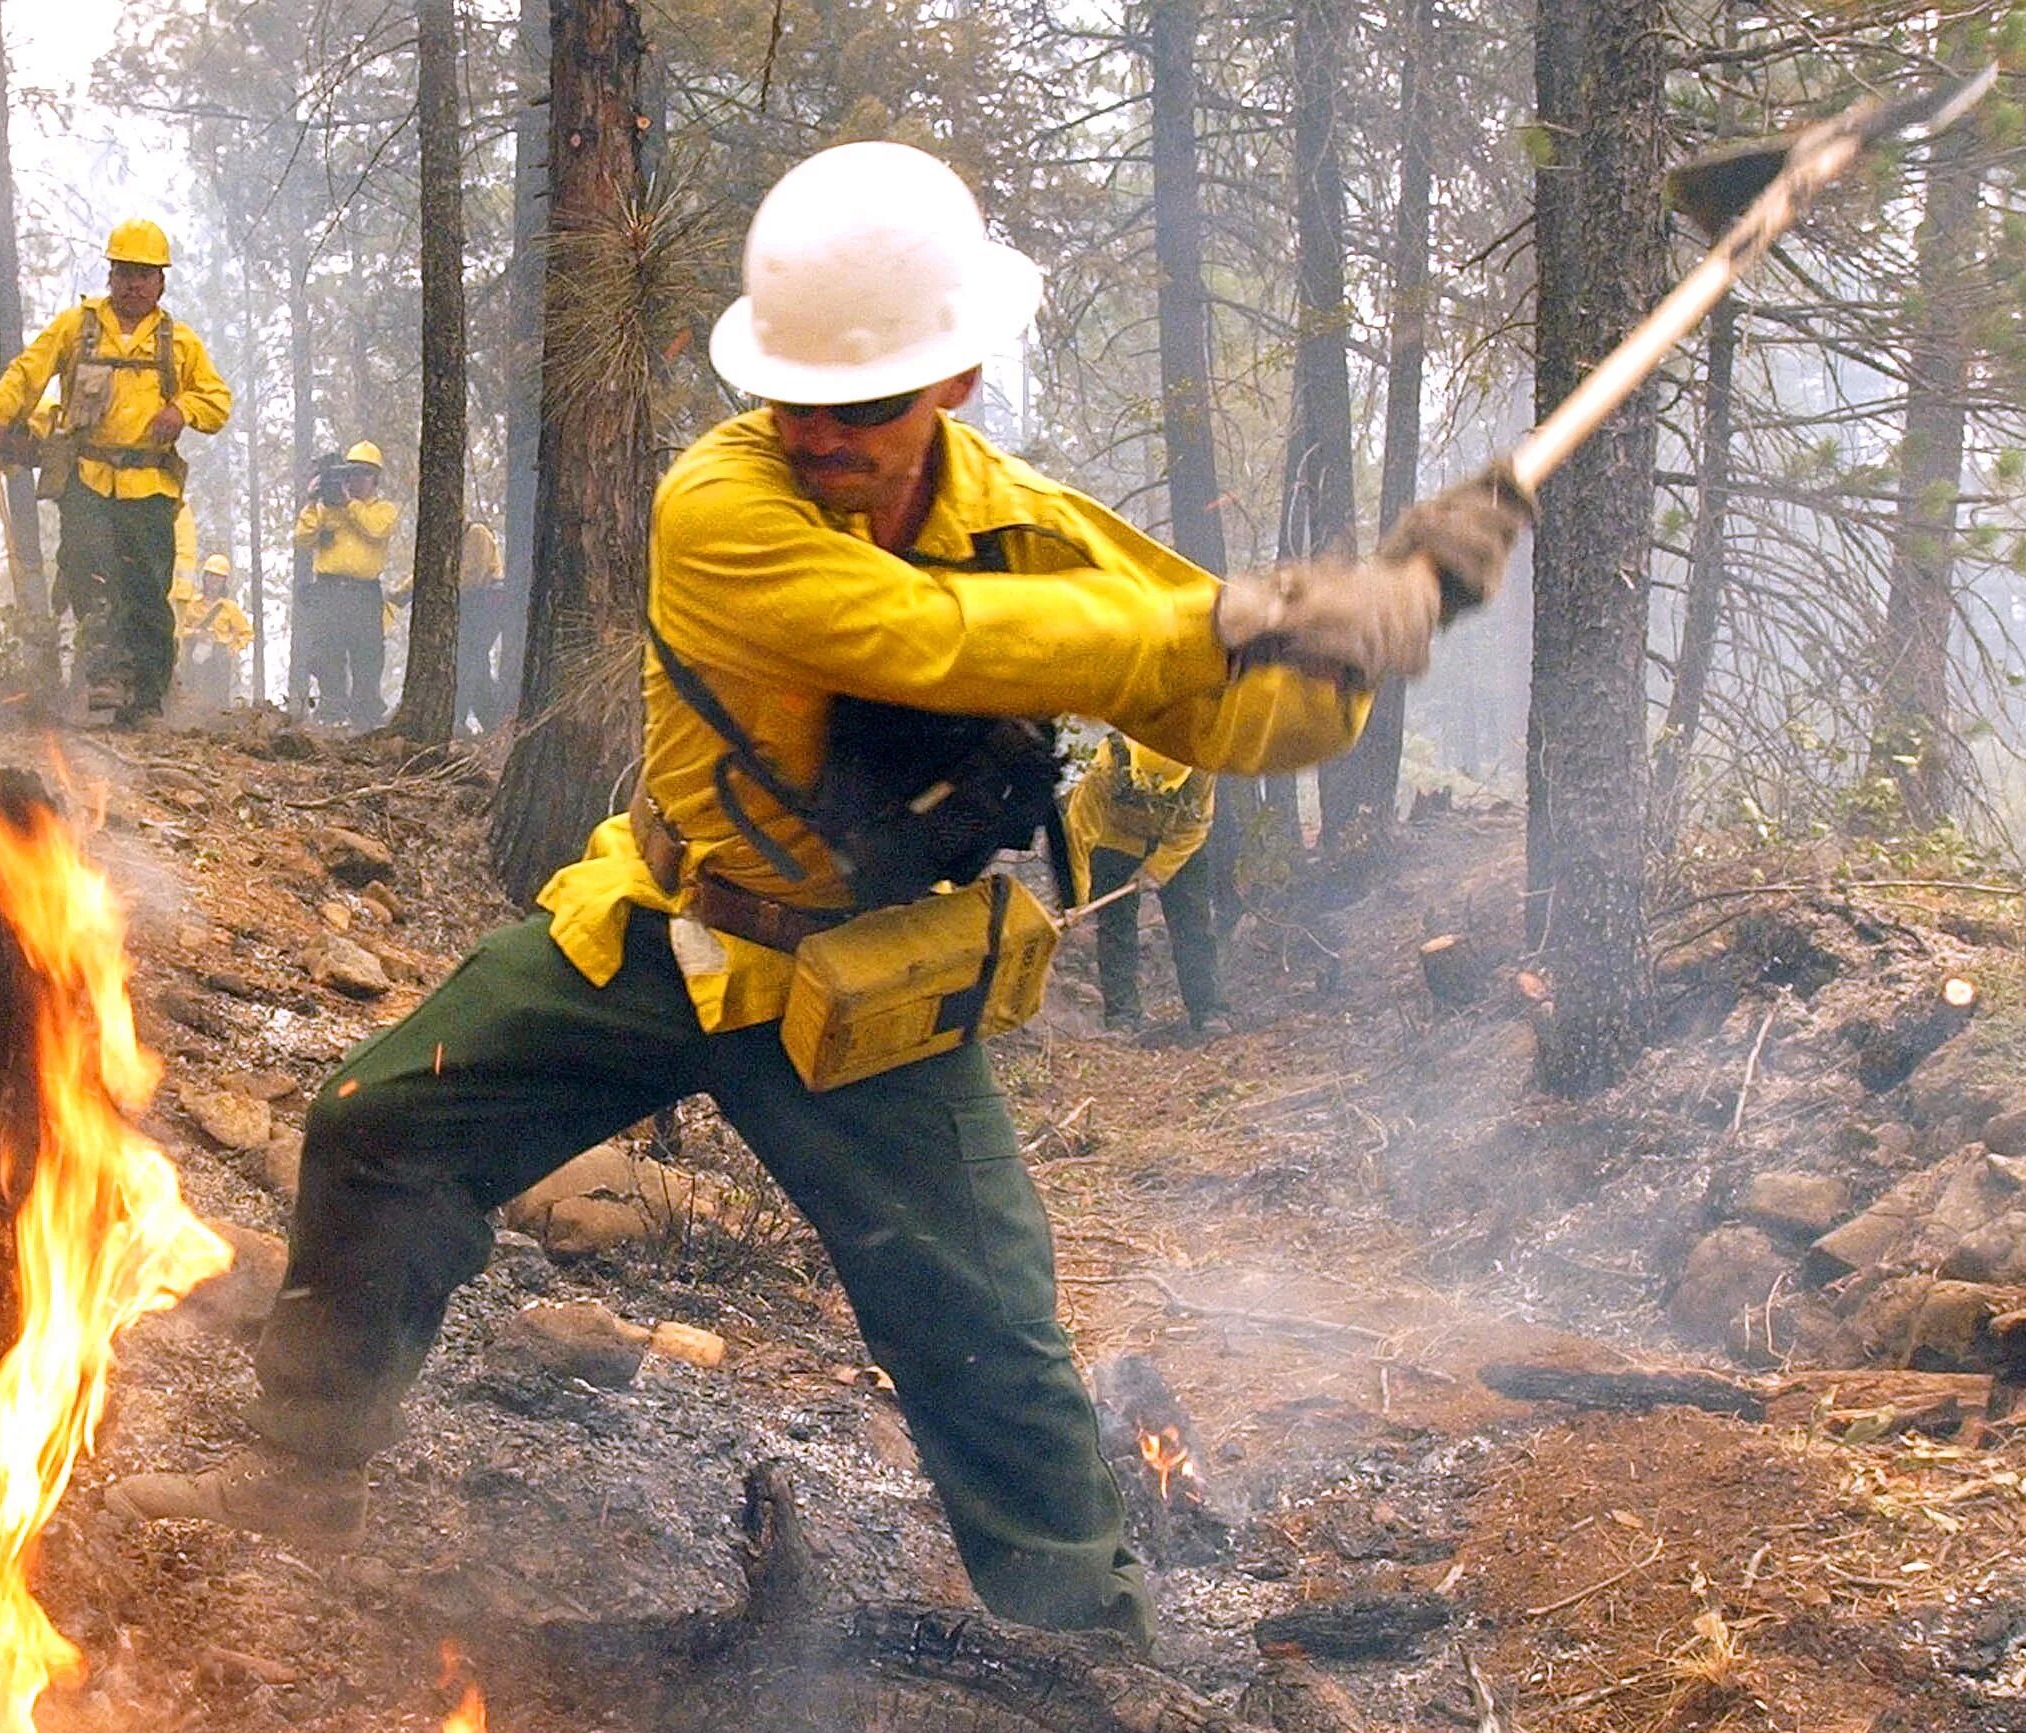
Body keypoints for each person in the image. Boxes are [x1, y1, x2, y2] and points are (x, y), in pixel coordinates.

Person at [107, 141, 1531, 1652]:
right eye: (789, 393)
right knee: (378, 1129)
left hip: (867, 1000)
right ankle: (301, 1481)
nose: (818, 432)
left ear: (956, 382)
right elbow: (925, 638)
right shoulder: (718, 505)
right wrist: (1228, 614)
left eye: (859, 406)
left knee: (992, 1341)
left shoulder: (1030, 532)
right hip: (663, 934)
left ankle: (1091, 1660)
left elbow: (1242, 713)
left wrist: (1358, 639)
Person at [0, 219, 234, 727]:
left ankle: (147, 696)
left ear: (161, 281)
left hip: (149, 488)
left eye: (144, 274)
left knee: (145, 589)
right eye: (124, 272)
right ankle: (105, 678)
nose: (133, 284)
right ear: (110, 275)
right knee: (87, 572)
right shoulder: (77, 327)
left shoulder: (178, 344)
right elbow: (29, 370)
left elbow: (217, 400)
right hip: (87, 478)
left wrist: (181, 411)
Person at [1066, 735, 1224, 1034]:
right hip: (1116, 837)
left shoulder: (1202, 764)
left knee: (1193, 924)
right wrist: (1076, 895)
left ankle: (1208, 1009)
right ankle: (1122, 1018)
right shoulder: (1106, 764)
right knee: (1116, 927)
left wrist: (1156, 870)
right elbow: (1077, 832)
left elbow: (1195, 825)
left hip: (1177, 840)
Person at [293, 442, 398, 727]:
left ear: (375, 478)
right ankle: (332, 712)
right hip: (328, 591)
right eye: (351, 473)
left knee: (368, 655)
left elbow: (376, 530)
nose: (356, 479)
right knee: (327, 653)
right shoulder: (327, 507)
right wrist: (312, 500)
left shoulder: (383, 510)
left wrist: (349, 504)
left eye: (364, 473)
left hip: (364, 593)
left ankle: (365, 715)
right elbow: (302, 538)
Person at [173, 553, 256, 717]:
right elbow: (178, 628)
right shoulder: (192, 604)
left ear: (224, 581)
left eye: (218, 578)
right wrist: (195, 634)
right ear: (204, 578)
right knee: (192, 689)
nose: (213, 582)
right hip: (193, 655)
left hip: (219, 657)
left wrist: (232, 649)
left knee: (218, 695)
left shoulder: (229, 608)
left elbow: (246, 633)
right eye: (211, 576)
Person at [456, 517, 511, 734]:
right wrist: (400, 594)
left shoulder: (476, 533)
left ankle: (457, 718)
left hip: (485, 601)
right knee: (475, 664)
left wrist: (441, 588)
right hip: (472, 604)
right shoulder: (457, 540)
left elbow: (472, 576)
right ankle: (494, 724)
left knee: (467, 658)